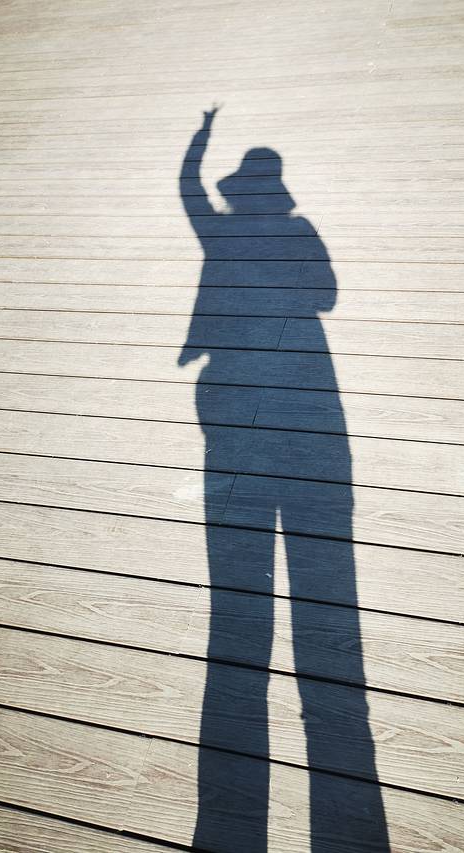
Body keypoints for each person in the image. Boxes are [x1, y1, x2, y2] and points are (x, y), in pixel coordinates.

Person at [178, 106, 388, 852]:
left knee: (237, 579)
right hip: (308, 407)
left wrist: (198, 141)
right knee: (321, 565)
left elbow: (188, 190)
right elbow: (327, 295)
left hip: (233, 403)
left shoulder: (221, 232)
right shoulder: (296, 231)